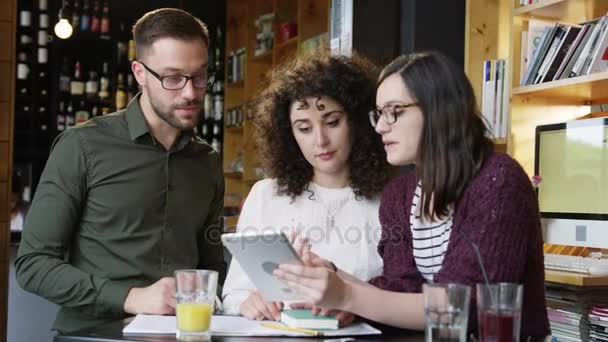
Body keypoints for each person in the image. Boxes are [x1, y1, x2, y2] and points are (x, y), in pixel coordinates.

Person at [274, 51, 550, 339]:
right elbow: (401, 288)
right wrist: (334, 276)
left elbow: (463, 303)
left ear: (439, 109)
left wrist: (346, 295)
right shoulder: (400, 194)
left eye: (395, 111)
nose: (381, 126)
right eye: (379, 114)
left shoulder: (498, 180)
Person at [15, 8, 226, 333]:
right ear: (139, 73)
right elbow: (33, 265)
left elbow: (212, 268)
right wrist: (131, 297)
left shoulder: (208, 162)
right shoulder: (82, 147)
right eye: (172, 78)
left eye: (200, 77)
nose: (190, 92)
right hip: (95, 336)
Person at [221, 51, 392, 322]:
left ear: (359, 121)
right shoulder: (266, 195)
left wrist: (355, 306)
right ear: (289, 134)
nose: (320, 140)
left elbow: (401, 295)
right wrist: (248, 302)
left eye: (332, 122)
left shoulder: (392, 200)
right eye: (304, 128)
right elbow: (233, 294)